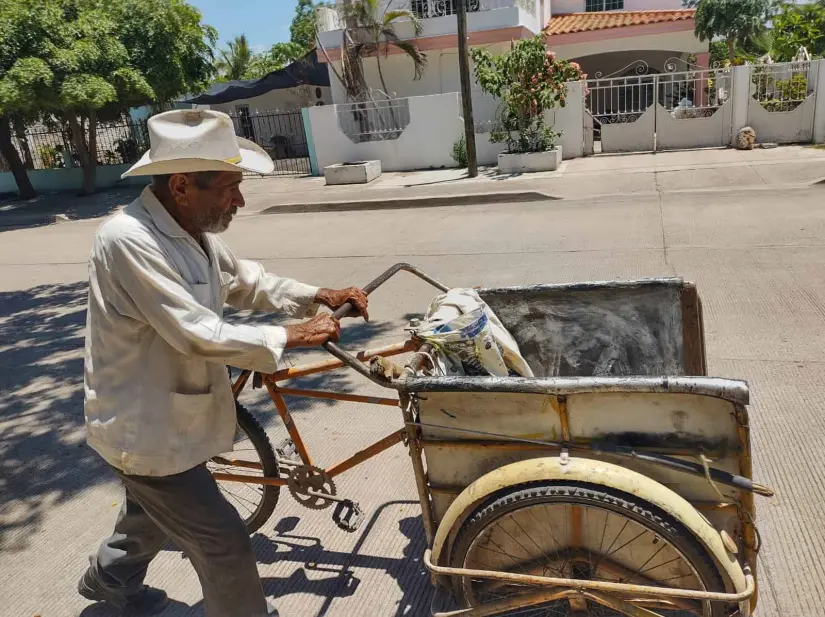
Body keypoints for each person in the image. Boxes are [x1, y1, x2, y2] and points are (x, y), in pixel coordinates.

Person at [78, 109, 369, 617]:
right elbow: (194, 332)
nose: (239, 198)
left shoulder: (192, 231)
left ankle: (107, 580)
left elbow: (246, 281)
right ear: (183, 184)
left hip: (173, 421)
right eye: (230, 187)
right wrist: (291, 334)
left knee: (148, 516)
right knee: (224, 544)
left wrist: (317, 294)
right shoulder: (127, 239)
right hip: (144, 428)